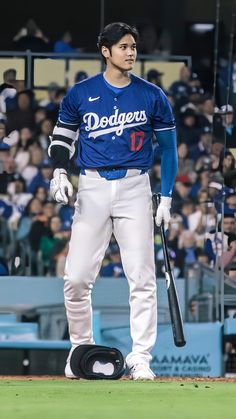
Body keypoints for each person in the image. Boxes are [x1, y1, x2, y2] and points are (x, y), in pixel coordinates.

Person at [48, 22, 177, 381]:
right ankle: (81, 349)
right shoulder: (80, 93)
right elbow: (61, 139)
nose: (131, 52)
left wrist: (166, 196)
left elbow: (168, 150)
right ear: (105, 51)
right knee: (75, 278)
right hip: (91, 186)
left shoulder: (152, 95)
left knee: (142, 279)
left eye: (133, 46)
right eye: (123, 46)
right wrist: (59, 171)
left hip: (136, 186)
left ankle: (141, 357)